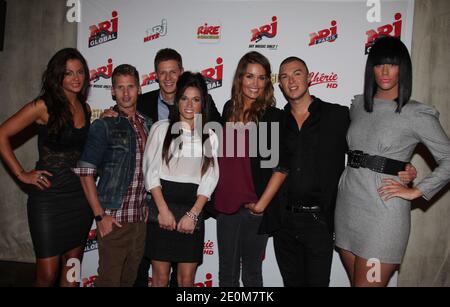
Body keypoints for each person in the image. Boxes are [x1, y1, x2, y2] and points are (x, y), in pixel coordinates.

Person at [249, 56, 416, 287]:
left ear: (309, 78)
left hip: (320, 222)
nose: (292, 81)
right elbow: (255, 161)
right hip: (284, 222)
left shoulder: (336, 116)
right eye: (285, 76)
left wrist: (401, 166)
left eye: (297, 73)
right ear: (280, 84)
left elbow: (365, 148)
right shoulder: (274, 120)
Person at [335, 36, 450, 287]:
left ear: (403, 69)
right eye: (378, 64)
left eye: (393, 64)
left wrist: (418, 190)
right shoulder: (357, 106)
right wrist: (404, 168)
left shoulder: (416, 113)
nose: (385, 71)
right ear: (371, 69)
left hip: (383, 214)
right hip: (348, 206)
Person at [0, 48, 93, 286]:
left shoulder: (86, 108)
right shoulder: (43, 106)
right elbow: (2, 134)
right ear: (57, 76)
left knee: (72, 272)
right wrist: (22, 174)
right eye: (68, 73)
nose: (76, 78)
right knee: (47, 276)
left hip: (79, 199)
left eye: (80, 71)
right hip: (48, 199)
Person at [131, 48, 220, 286]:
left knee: (186, 279)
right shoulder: (160, 128)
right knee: (159, 279)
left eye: (196, 99)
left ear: (203, 103)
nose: (189, 105)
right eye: (184, 98)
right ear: (177, 100)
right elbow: (151, 171)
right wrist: (162, 210)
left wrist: (193, 214)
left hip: (193, 209)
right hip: (162, 208)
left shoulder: (210, 135)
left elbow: (210, 178)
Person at [74, 64, 152, 287]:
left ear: (139, 89)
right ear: (113, 91)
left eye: (130, 87)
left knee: (128, 281)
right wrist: (100, 216)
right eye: (120, 87)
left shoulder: (148, 124)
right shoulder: (104, 125)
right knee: (109, 281)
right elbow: (85, 172)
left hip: (140, 220)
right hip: (114, 219)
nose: (126, 93)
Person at [214, 51, 286, 287]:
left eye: (261, 78)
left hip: (254, 209)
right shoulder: (228, 109)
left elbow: (280, 167)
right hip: (226, 207)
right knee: (227, 275)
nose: (255, 84)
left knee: (252, 276)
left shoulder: (271, 116)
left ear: (267, 82)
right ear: (240, 79)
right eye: (249, 77)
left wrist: (261, 205)